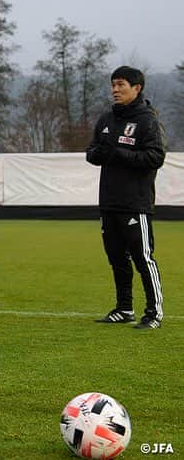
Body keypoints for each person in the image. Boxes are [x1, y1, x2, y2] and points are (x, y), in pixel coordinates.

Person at [86, 66, 165, 330]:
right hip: (109, 201)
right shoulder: (107, 118)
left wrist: (120, 153)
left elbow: (156, 157)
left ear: (137, 88)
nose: (115, 90)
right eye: (113, 85)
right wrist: (101, 153)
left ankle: (154, 313)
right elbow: (92, 152)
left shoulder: (147, 120)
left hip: (135, 203)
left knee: (143, 258)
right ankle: (124, 308)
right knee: (117, 258)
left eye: (120, 85)